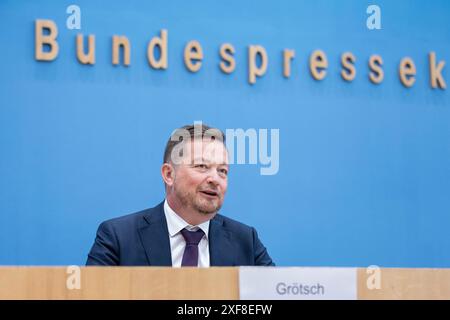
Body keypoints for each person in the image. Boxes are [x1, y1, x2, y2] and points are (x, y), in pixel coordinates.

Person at [86, 123, 274, 266]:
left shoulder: (245, 240)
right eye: (202, 166)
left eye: (222, 171)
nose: (215, 179)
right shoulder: (119, 237)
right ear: (169, 174)